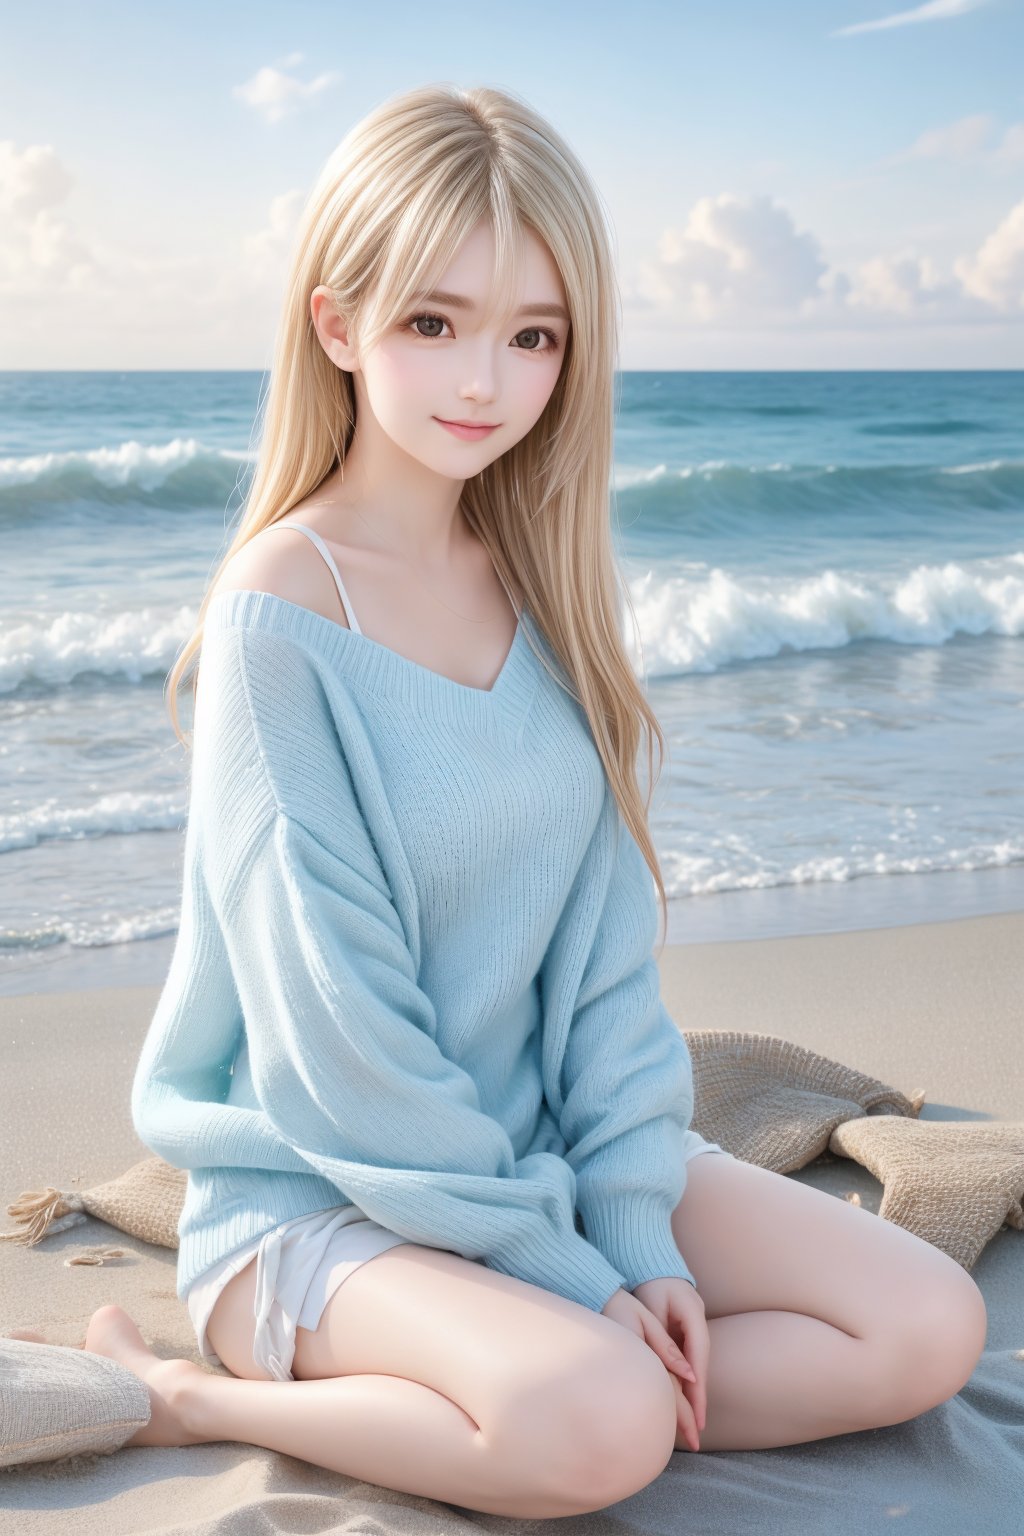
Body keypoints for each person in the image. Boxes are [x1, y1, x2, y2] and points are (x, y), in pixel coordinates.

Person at [77, 83, 983, 1516]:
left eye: (533, 334)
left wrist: (640, 1236)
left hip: (542, 1152)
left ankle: (566, 1382)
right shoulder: (279, 615)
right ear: (338, 327)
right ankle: (197, 1393)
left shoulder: (542, 584)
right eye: (433, 323)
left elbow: (604, 968)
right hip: (328, 1196)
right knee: (604, 1423)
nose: (484, 381)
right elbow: (343, 1046)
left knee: (928, 1326)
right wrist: (577, 1274)